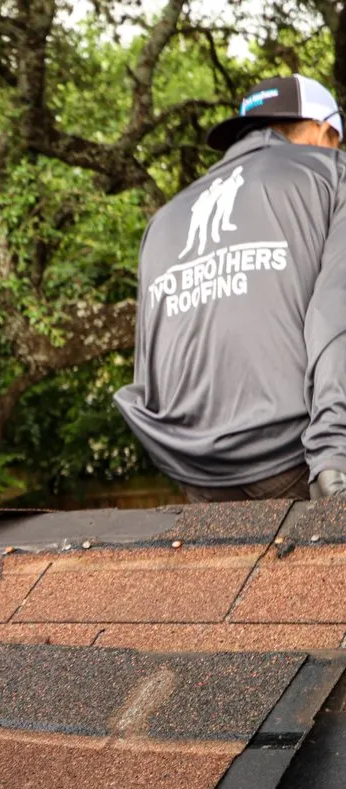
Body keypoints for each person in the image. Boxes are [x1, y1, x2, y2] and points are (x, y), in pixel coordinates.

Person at [115, 74, 346, 503]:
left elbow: (149, 360)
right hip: (302, 457)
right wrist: (334, 457)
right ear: (325, 129)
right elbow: (337, 313)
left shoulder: (166, 217)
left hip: (196, 471)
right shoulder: (332, 174)